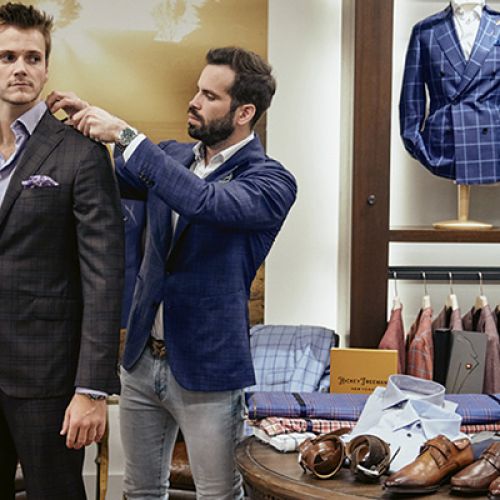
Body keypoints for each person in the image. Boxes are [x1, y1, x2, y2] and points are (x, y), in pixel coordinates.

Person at [48, 46, 297, 499]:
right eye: (197, 90)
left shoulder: (270, 182)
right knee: (140, 491)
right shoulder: (172, 158)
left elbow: (203, 202)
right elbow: (98, 180)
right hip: (142, 362)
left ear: (244, 113)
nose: (194, 102)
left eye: (209, 96)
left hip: (209, 370)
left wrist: (124, 134)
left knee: (218, 494)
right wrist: (78, 126)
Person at [0, 3, 124, 499]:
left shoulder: (81, 152)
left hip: (47, 382)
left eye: (32, 57)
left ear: (47, 68)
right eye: (7, 56)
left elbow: (103, 277)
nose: (20, 68)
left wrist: (92, 389)